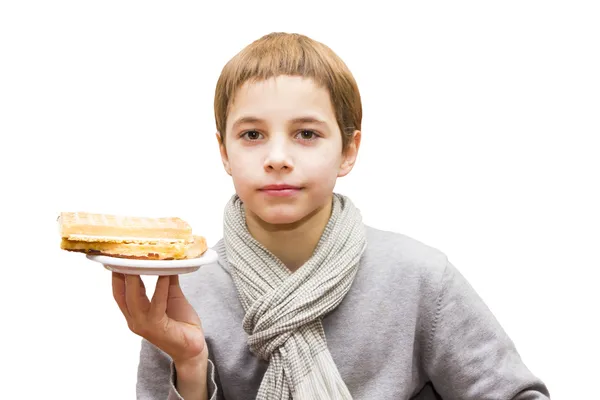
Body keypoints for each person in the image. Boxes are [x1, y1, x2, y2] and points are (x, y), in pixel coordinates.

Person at [111, 32, 551, 400]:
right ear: (224, 152)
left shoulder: (418, 278)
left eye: (306, 134)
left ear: (348, 150)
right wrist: (189, 364)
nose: (278, 157)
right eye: (252, 134)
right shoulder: (185, 289)